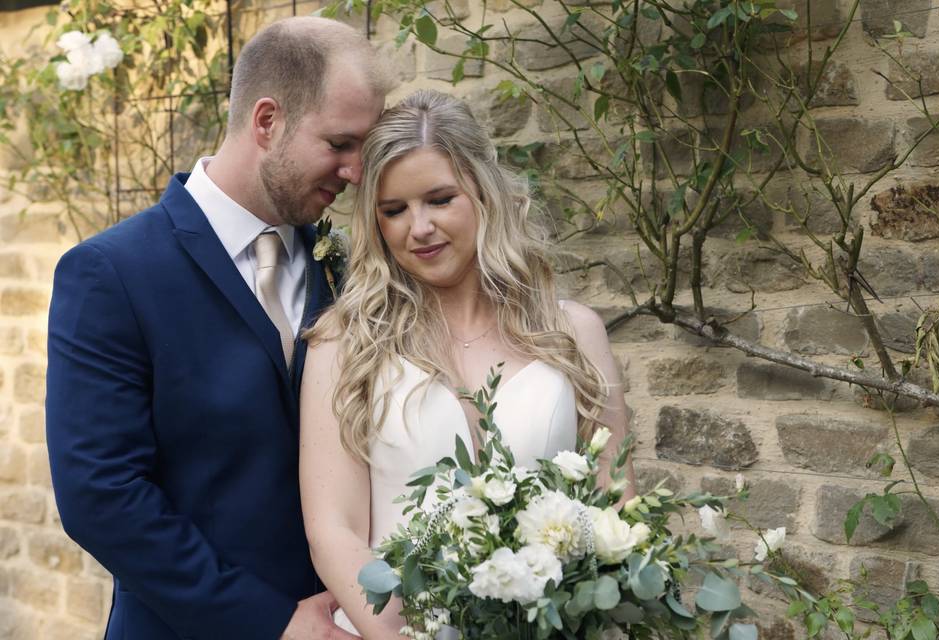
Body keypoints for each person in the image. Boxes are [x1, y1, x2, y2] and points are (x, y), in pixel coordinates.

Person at [45, 17, 385, 640]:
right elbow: (101, 496)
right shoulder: (111, 272)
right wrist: (273, 622)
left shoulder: (350, 268)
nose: (357, 171)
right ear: (266, 121)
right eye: (340, 143)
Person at [299, 90, 634, 638]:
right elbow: (334, 532)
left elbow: (613, 502)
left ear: (483, 193)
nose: (420, 228)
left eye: (439, 199)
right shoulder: (343, 345)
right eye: (394, 210)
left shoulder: (572, 333)